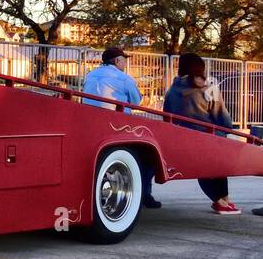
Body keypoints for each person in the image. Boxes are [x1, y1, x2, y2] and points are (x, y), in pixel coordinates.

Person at [82, 46, 160, 208]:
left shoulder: (90, 75)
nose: (125, 63)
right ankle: (144, 194)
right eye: (124, 60)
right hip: (118, 127)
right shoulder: (124, 78)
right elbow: (135, 102)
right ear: (117, 61)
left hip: (89, 124)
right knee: (145, 159)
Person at [163, 53, 239, 215]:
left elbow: (167, 115)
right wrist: (228, 131)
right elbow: (222, 117)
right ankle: (222, 201)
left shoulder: (172, 90)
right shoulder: (209, 89)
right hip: (209, 137)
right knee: (219, 168)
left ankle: (222, 201)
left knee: (201, 171)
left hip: (182, 138)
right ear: (201, 68)